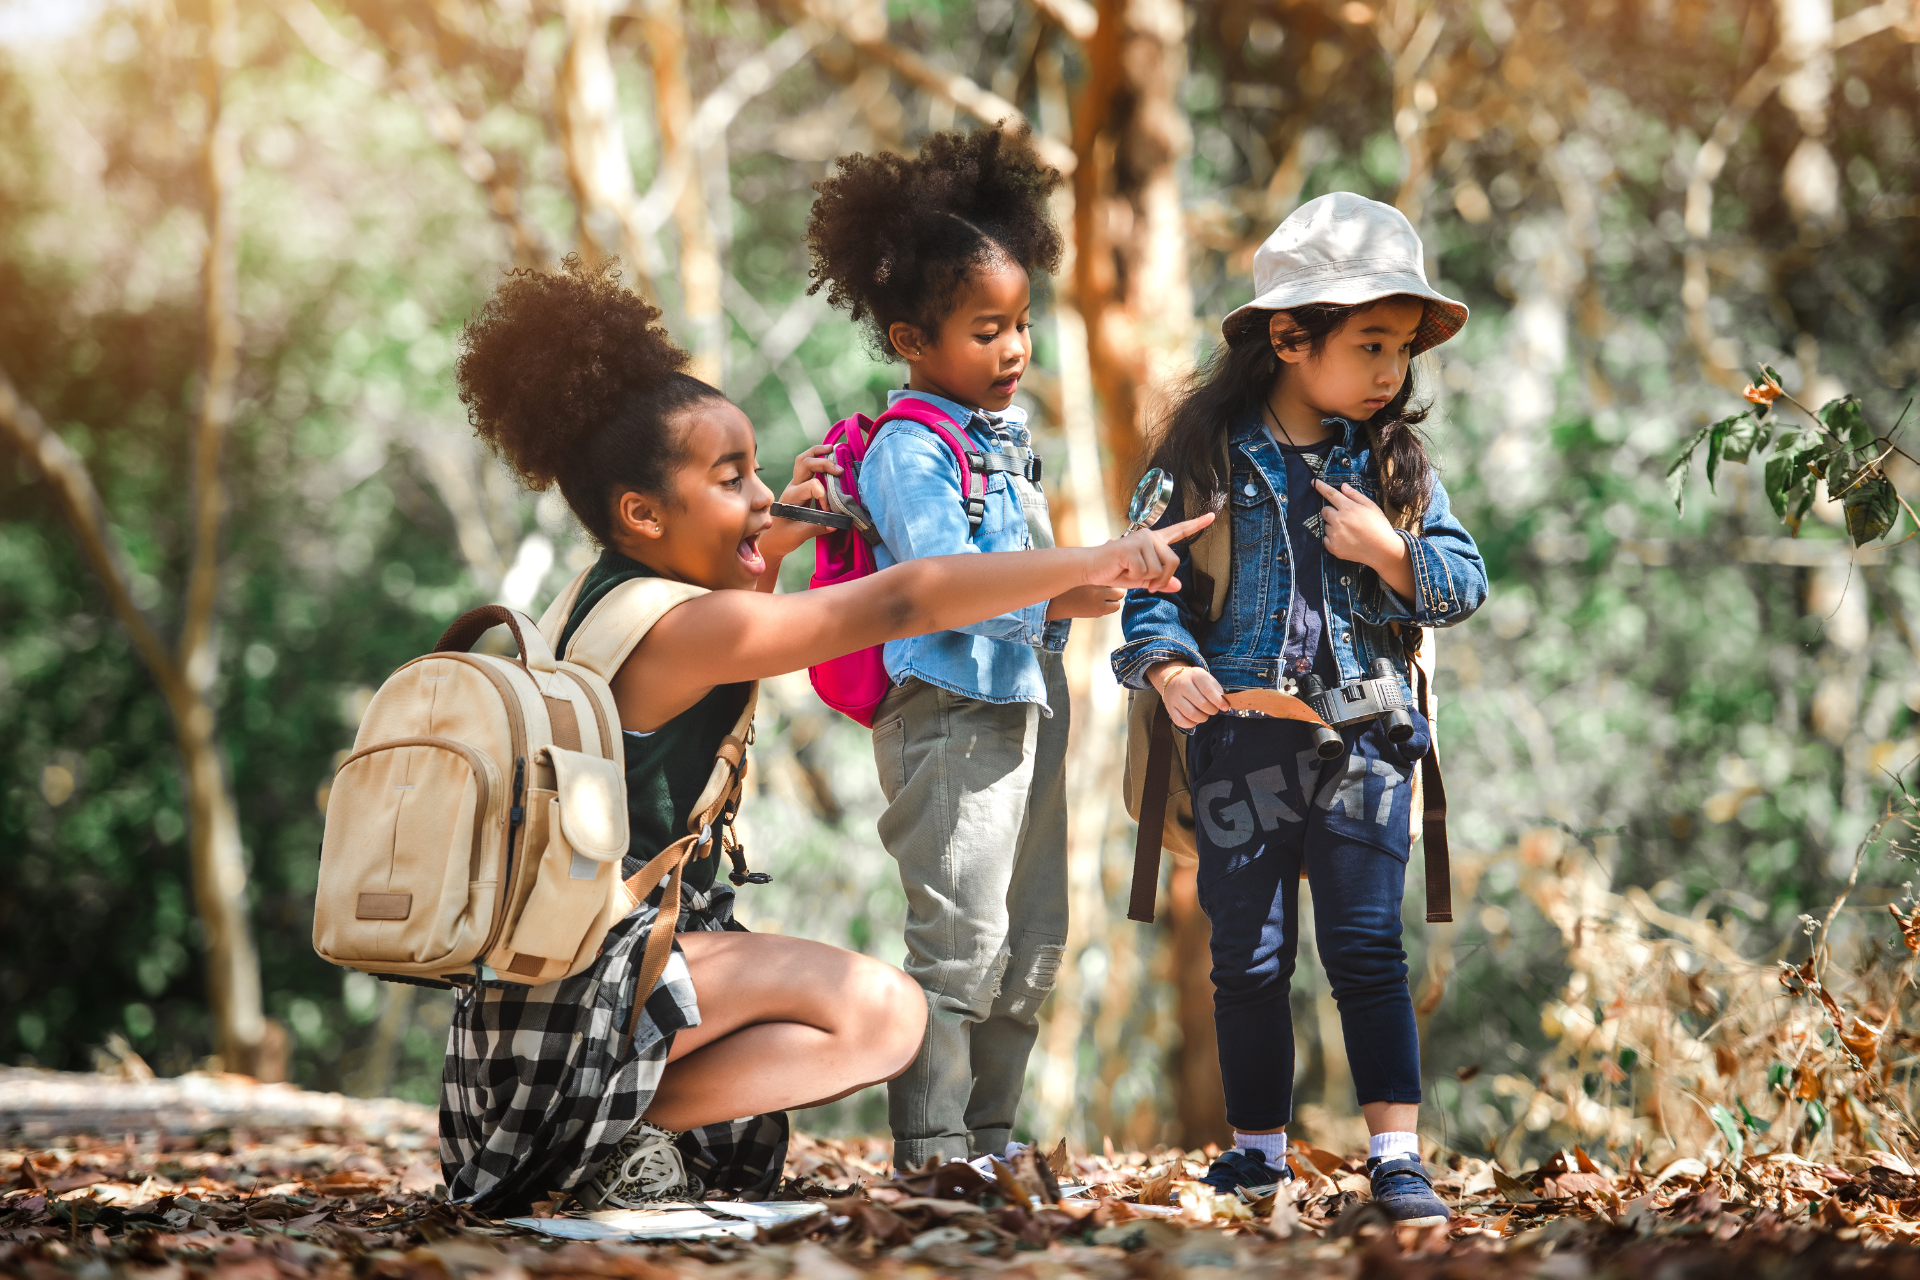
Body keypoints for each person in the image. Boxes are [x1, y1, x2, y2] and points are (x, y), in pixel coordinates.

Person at [437, 254, 1209, 1214]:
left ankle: (606, 1132)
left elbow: (742, 585)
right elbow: (909, 595)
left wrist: (783, 523)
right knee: (889, 1013)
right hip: (579, 1024)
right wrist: (1091, 560)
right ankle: (609, 1137)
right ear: (641, 512)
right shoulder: (688, 627)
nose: (764, 494)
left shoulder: (593, 600)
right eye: (733, 479)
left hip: (514, 1036)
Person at [1111, 193, 1488, 1225]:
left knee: (1367, 945)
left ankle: (1397, 1153)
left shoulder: (1397, 466)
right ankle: (1257, 1153)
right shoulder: (1201, 463)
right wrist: (1168, 669)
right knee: (1251, 956)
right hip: (1240, 739)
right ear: (1288, 336)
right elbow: (1146, 599)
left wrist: (1393, 552)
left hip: (1370, 738)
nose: (1389, 372)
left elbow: (1464, 579)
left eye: (1402, 348)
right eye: (1369, 343)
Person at [804, 124, 1110, 1171]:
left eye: (1022, 323)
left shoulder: (1008, 446)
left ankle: (992, 1144)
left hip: (1027, 703)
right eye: (987, 329)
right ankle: (934, 1156)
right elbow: (941, 583)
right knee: (959, 944)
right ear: (910, 339)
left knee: (1030, 948)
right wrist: (1078, 560)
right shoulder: (909, 447)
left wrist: (1120, 577)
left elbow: (1030, 587)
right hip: (947, 712)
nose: (1014, 349)